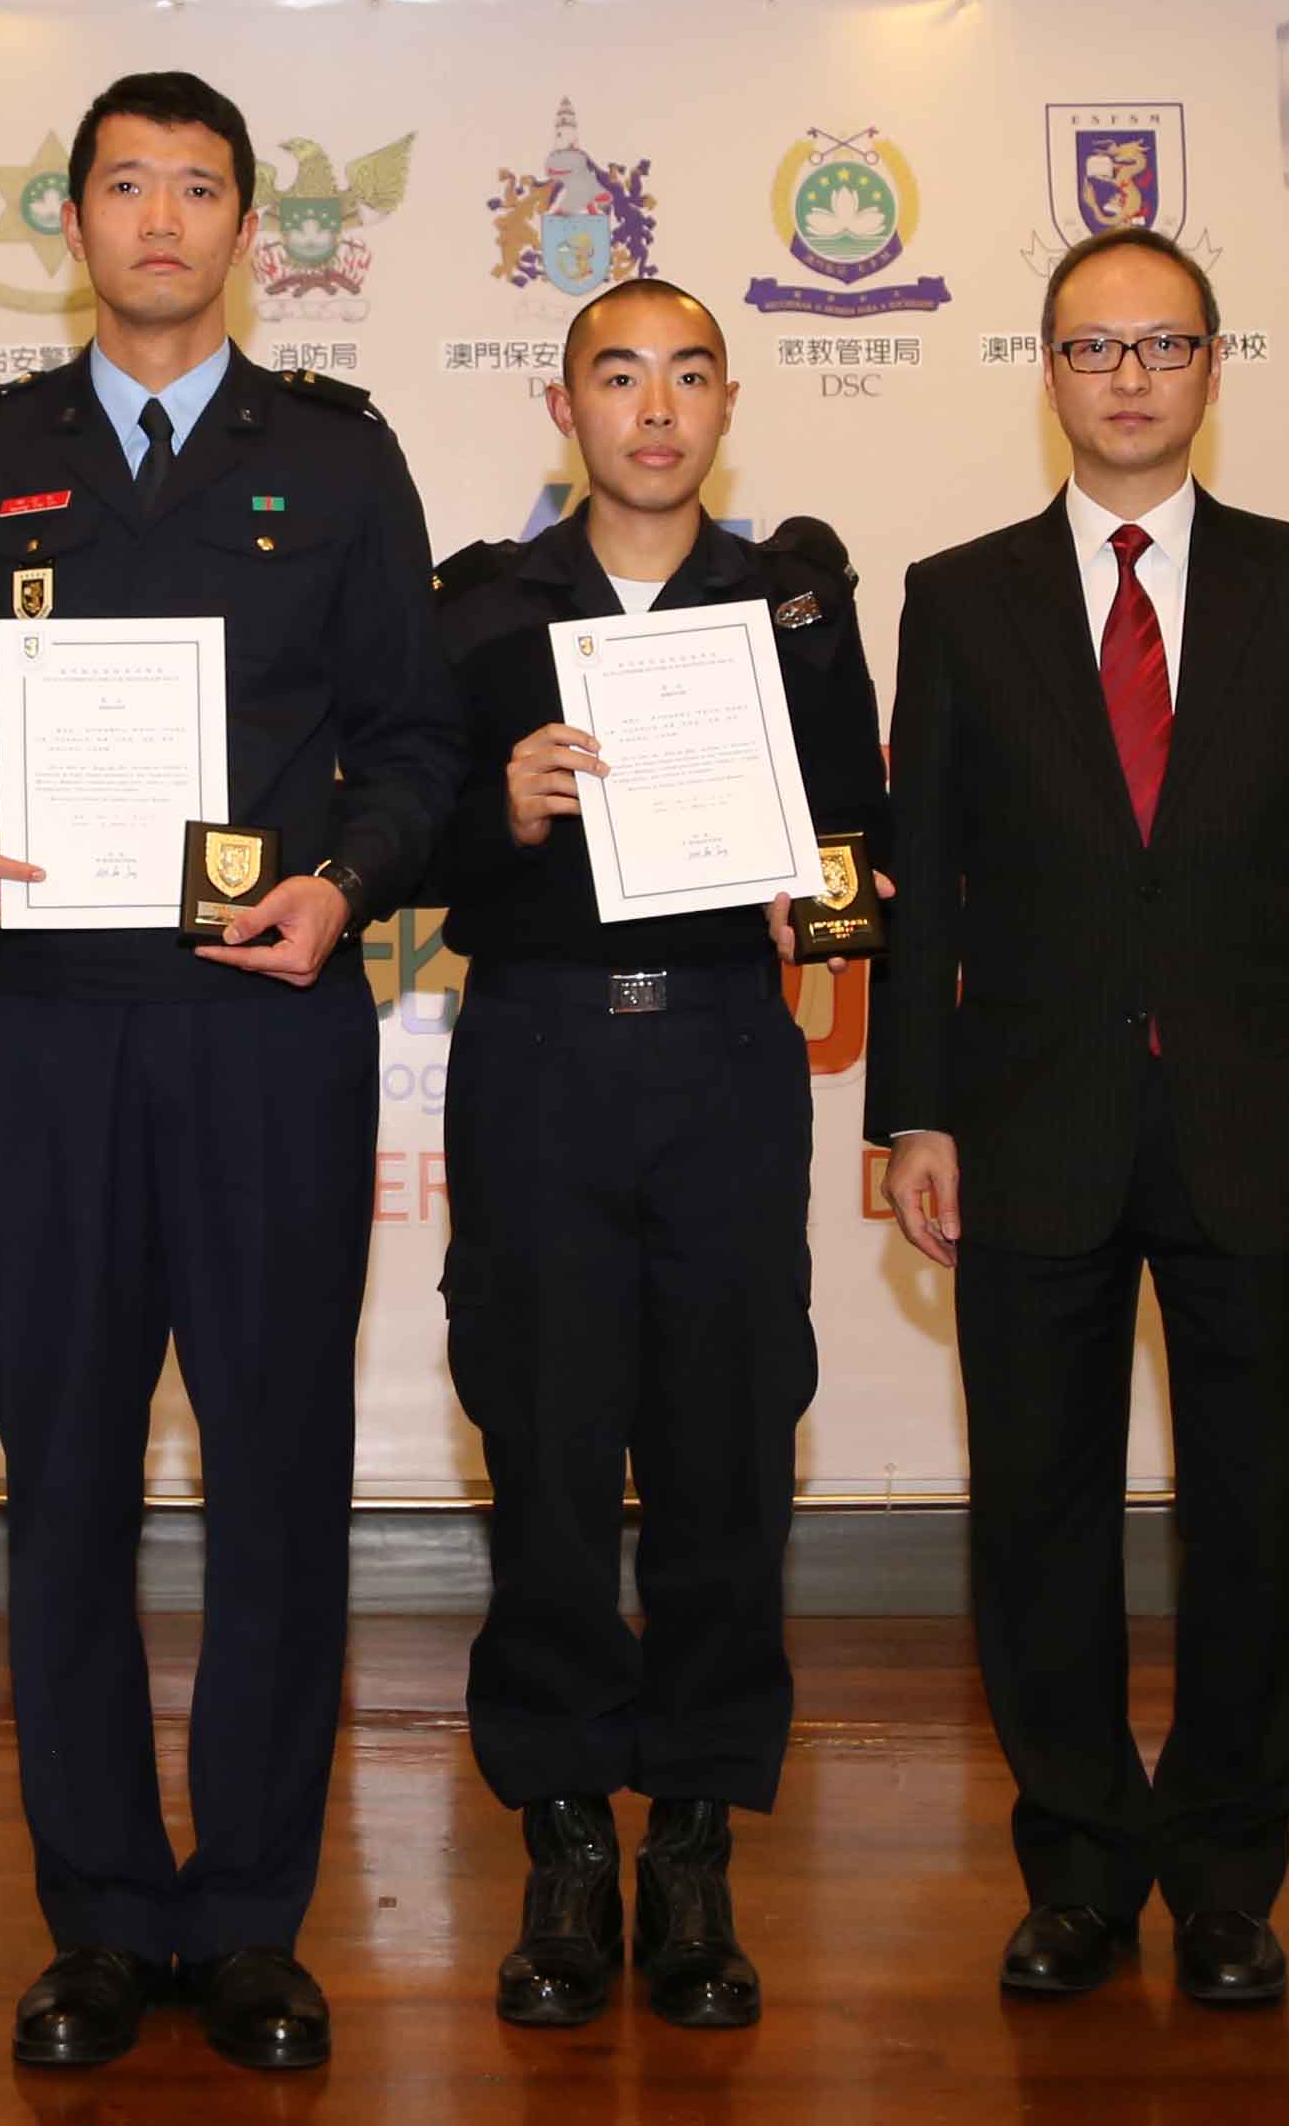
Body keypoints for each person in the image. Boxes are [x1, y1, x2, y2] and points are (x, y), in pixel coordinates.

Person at [0, 70, 461, 2074]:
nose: (161, 219)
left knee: (278, 1473)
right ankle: (106, 1915)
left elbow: (416, 741)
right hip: (49, 1033)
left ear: (246, 229)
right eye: (127, 184)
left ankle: (255, 1921)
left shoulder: (339, 458)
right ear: (75, 219)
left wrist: (345, 887)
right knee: (65, 1483)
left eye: (200, 188)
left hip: (267, 1030)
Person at [866, 224, 1289, 2011]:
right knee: (1038, 1515)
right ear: (1047, 371)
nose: (1128, 377)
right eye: (1094, 347)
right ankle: (1082, 1869)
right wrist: (911, 1112)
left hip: (1262, 1115)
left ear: (1211, 369)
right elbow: (926, 880)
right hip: (1028, 1119)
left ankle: (1231, 1874)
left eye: (1163, 345)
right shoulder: (959, 598)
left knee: (1257, 1515)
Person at [422, 275, 885, 2032]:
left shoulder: (793, 609)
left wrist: (820, 899)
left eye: (691, 376)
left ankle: (693, 1845)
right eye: (621, 377)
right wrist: (500, 806)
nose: (658, 409)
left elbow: (866, 848)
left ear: (728, 404)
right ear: (568, 409)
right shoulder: (481, 611)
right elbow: (394, 836)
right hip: (539, 1054)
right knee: (544, 1451)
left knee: (724, 1453)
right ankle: (561, 1841)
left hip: (722, 1057)